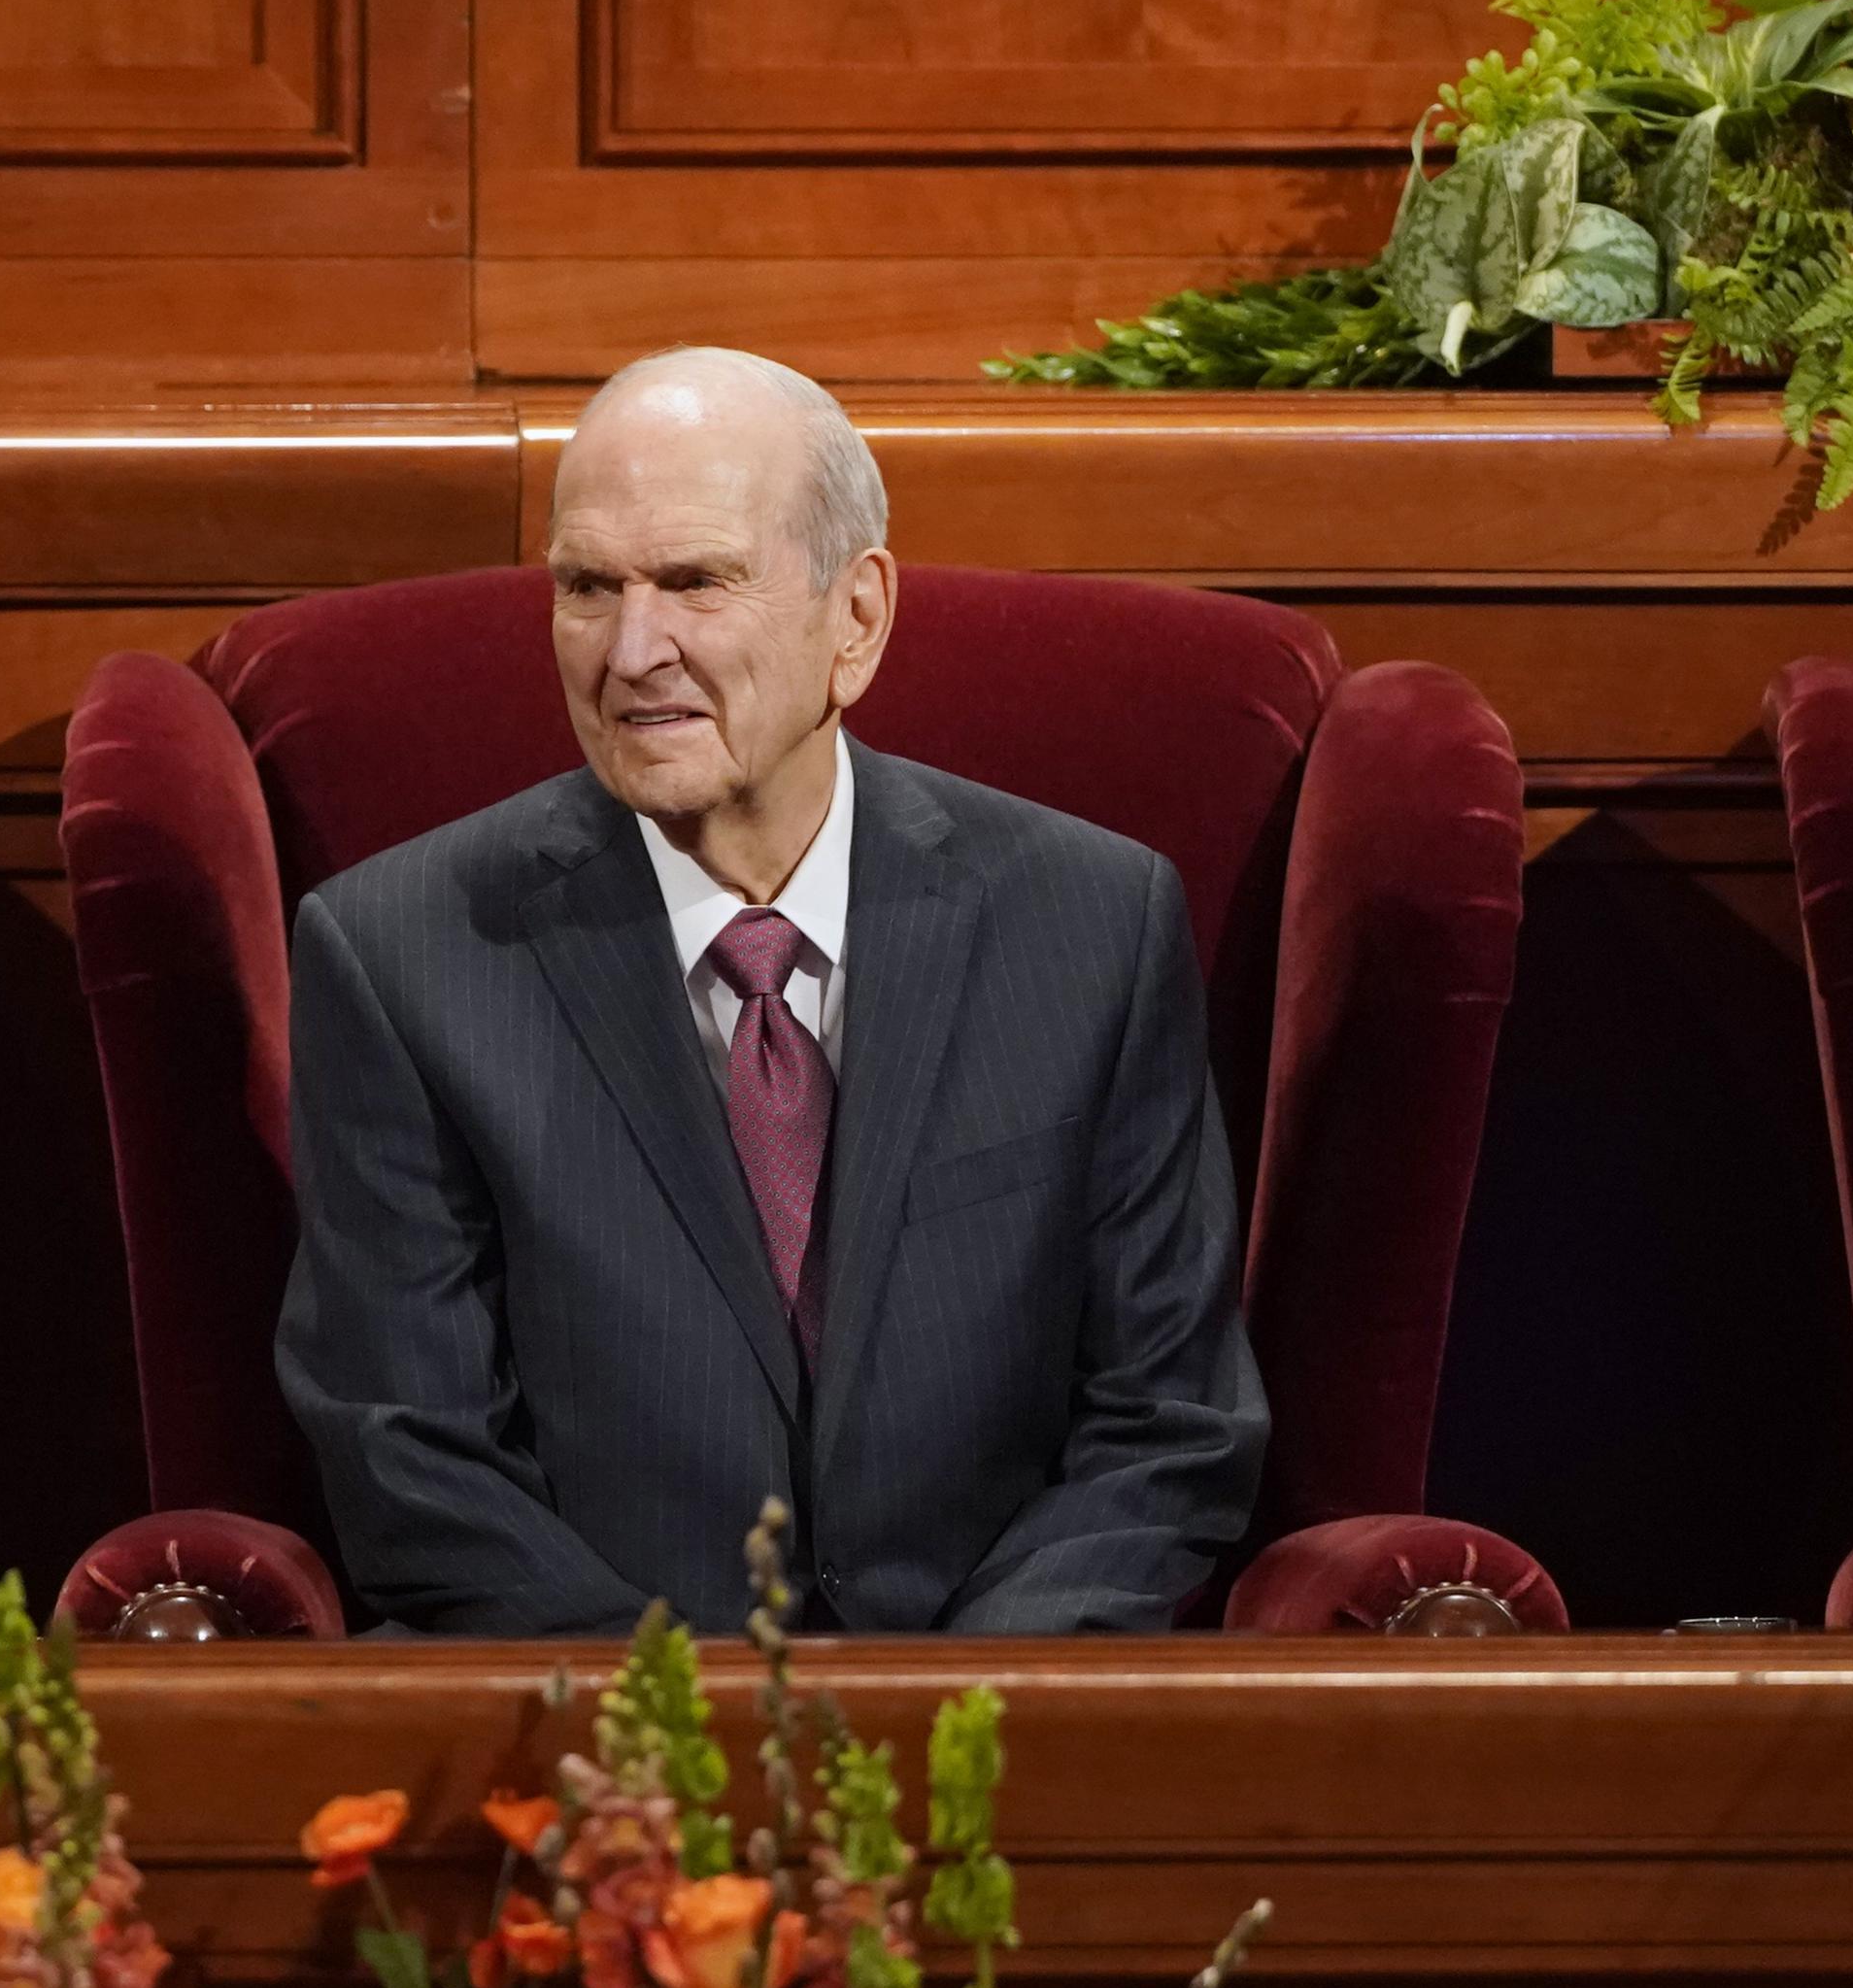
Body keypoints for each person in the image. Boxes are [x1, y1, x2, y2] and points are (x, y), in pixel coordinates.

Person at [277, 347, 1265, 1633]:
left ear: (855, 618)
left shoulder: (1093, 922)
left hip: (1001, 1736)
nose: (633, 651)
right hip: (611, 1755)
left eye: (695, 581)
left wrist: (947, 1720)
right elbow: (412, 1462)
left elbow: (1170, 1424)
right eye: (588, 587)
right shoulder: (401, 953)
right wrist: (690, 1753)